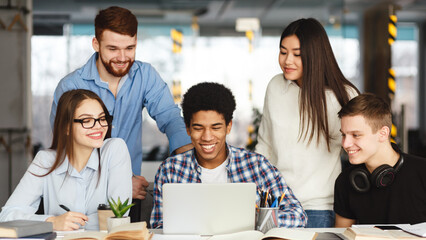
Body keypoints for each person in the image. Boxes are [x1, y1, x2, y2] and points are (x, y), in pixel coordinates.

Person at [49, 6, 192, 222]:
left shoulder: (145, 76)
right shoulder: (71, 86)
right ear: (96, 44)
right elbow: (66, 148)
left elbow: (170, 118)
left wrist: (189, 163)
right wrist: (120, 183)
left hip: (131, 195)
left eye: (130, 48)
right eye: (113, 48)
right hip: (82, 195)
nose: (123, 57)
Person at [150, 82, 307, 229]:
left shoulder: (256, 165)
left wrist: (256, 221)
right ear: (188, 129)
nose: (207, 137)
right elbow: (159, 225)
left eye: (216, 127)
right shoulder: (170, 170)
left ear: (228, 127)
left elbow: (297, 215)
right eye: (198, 128)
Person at [255, 18, 360, 227]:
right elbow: (264, 145)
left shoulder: (342, 95)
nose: (287, 61)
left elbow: (359, 150)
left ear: (315, 55)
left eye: (297, 54)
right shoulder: (276, 86)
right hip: (276, 205)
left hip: (317, 208)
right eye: (283, 52)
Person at [0, 89, 132, 231]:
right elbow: (7, 216)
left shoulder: (115, 149)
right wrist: (51, 221)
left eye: (102, 118)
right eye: (86, 120)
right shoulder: (45, 160)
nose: (99, 126)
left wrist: (71, 223)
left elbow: (118, 215)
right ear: (66, 127)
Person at [334, 93, 426, 227]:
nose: (346, 144)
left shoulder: (422, 172)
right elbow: (341, 235)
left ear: (383, 134)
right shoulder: (345, 181)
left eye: (356, 135)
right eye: (344, 134)